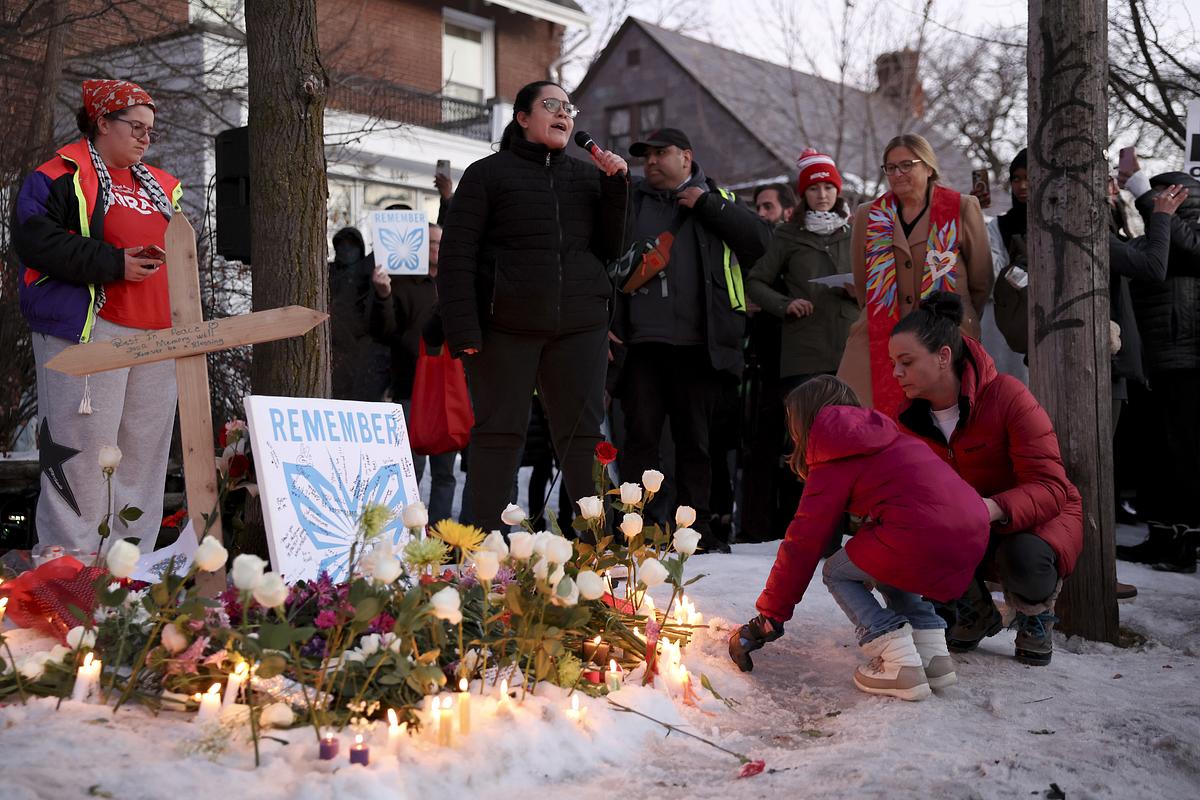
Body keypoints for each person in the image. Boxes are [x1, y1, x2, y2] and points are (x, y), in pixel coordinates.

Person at [437, 80, 628, 533]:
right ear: (522, 117)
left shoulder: (587, 177)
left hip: (580, 325)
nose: (564, 114)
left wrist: (617, 186)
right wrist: (464, 331)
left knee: (584, 437)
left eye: (569, 108)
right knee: (499, 434)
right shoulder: (487, 175)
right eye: (551, 105)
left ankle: (597, 547)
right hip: (505, 326)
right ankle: (486, 549)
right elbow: (456, 256)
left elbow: (613, 248)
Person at [729, 376, 989, 701]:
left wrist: (771, 616)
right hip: (972, 527)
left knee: (836, 572)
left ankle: (896, 659)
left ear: (804, 423)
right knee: (887, 565)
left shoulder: (834, 454)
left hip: (919, 530)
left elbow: (802, 544)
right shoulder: (888, 437)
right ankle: (932, 656)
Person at [14, 79, 181, 553]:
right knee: (81, 461)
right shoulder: (59, 174)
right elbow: (35, 241)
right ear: (102, 123)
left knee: (142, 463)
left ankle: (130, 575)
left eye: (151, 129)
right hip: (89, 333)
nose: (146, 138)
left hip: (157, 339)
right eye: (136, 126)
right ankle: (67, 579)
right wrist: (114, 262)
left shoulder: (162, 186)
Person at [890, 293, 1083, 666]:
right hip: (970, 524)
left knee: (1022, 557)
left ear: (943, 356)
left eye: (906, 362)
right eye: (894, 363)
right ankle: (974, 611)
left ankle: (1035, 614)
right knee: (910, 532)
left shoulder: (1007, 395)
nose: (896, 373)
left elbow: (1051, 487)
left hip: (1039, 519)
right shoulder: (909, 421)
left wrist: (990, 508)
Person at [614, 126, 770, 552]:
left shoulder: (719, 200)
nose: (651, 162)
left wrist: (706, 205)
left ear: (687, 155)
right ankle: (638, 533)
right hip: (641, 346)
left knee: (695, 446)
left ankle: (692, 534)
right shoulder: (632, 200)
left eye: (660, 153)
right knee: (641, 441)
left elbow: (761, 241)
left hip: (700, 349)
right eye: (646, 155)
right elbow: (605, 261)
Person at [838, 133, 992, 418]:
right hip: (880, 339)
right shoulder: (868, 215)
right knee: (869, 425)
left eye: (907, 165)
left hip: (945, 334)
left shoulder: (961, 207)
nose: (898, 174)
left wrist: (960, 315)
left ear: (929, 167)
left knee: (943, 425)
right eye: (891, 168)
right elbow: (863, 285)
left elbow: (981, 280)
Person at [1115, 166, 1200, 573]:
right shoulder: (1160, 233)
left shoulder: (1190, 238)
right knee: (1153, 454)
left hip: (1184, 363)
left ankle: (1187, 544)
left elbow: (1181, 245)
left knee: (1183, 454)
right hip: (1150, 362)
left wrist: (1142, 191)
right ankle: (1161, 536)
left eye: (1169, 196)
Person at [371, 222, 457, 524]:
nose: (437, 247)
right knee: (411, 471)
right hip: (411, 390)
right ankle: (408, 538)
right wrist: (383, 295)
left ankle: (441, 541)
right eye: (431, 242)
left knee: (445, 473)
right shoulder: (404, 284)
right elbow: (386, 331)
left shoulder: (455, 283)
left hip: (448, 392)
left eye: (441, 242)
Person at [978, 149, 1031, 382]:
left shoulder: (1062, 223)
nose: (1022, 185)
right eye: (1016, 179)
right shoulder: (999, 225)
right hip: (1006, 318)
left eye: (1029, 178)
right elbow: (992, 273)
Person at [329, 226, 393, 401]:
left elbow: (391, 249)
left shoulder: (367, 272)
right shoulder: (328, 272)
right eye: (342, 245)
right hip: (335, 350)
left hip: (362, 354)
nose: (347, 250)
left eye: (351, 245)